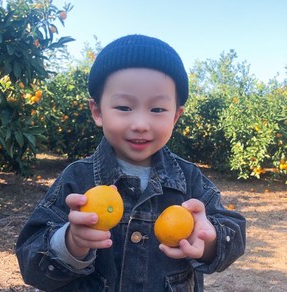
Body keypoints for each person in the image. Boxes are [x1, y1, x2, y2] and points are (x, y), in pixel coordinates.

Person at [16, 34, 246, 292]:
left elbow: (235, 235)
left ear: (176, 117)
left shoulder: (189, 179)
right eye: (124, 107)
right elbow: (31, 262)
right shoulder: (77, 179)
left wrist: (210, 240)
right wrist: (70, 242)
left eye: (157, 110)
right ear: (98, 112)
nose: (140, 124)